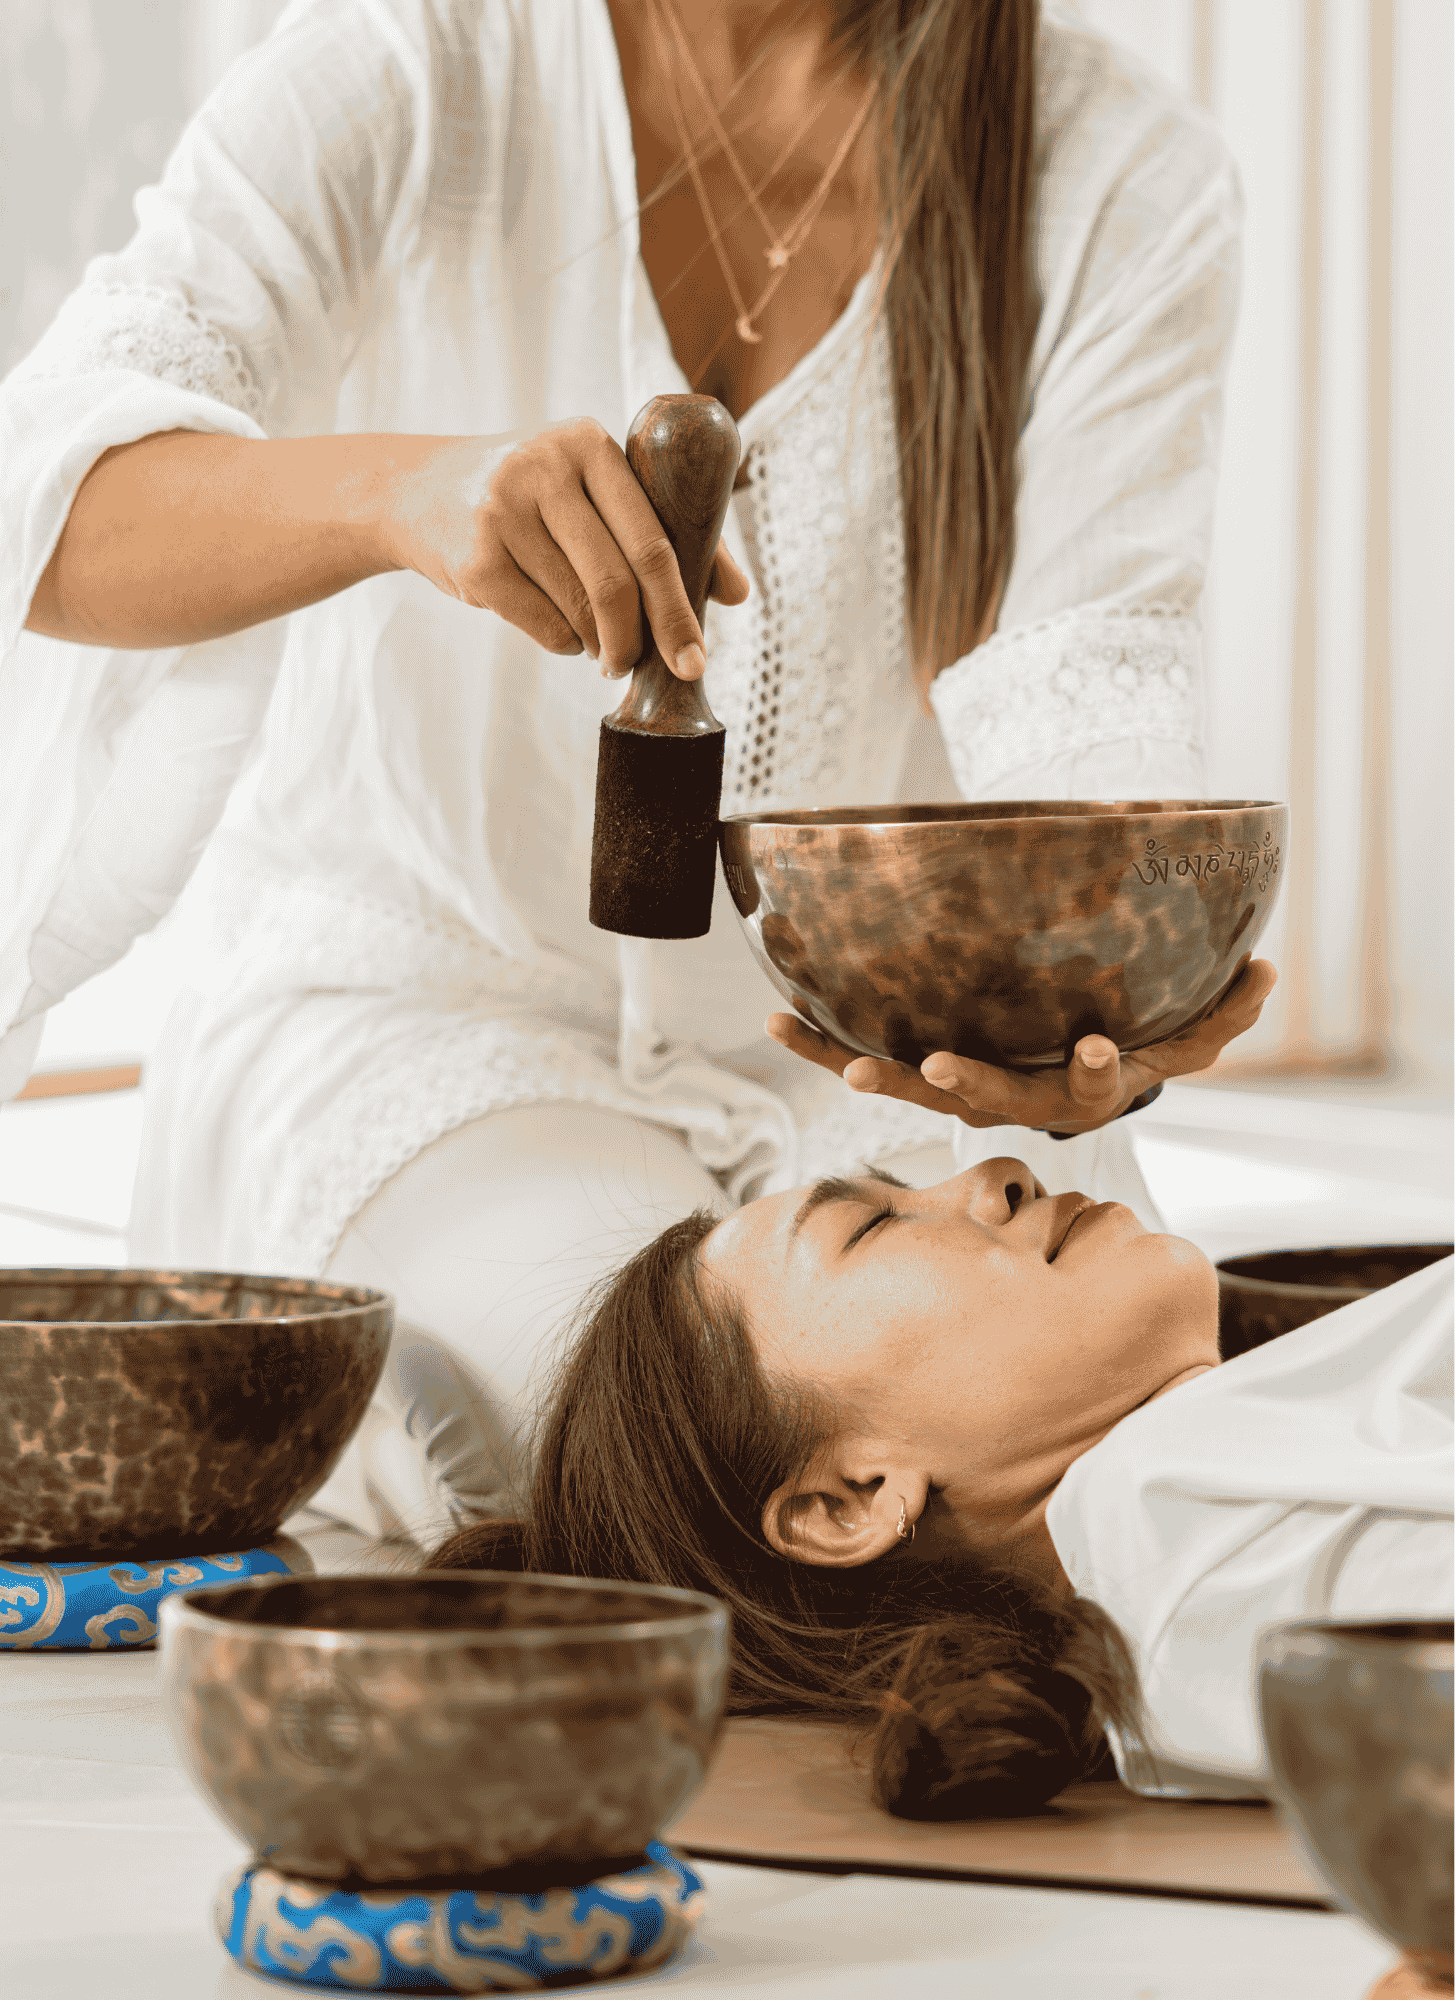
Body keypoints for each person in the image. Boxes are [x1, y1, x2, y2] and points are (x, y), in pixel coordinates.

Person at [2, 0, 1261, 1538]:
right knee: (649, 1460)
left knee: (1139, 1409)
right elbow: (54, 519)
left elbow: (1084, 710)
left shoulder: (1120, 165)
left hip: (885, 1062)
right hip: (421, 1029)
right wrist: (396, 494)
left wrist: (1101, 991)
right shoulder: (410, 66)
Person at [425, 1159, 1454, 1818]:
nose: (995, 1172)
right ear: (849, 1501)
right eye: (872, 1228)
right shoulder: (1177, 1528)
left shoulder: (1197, 1474)